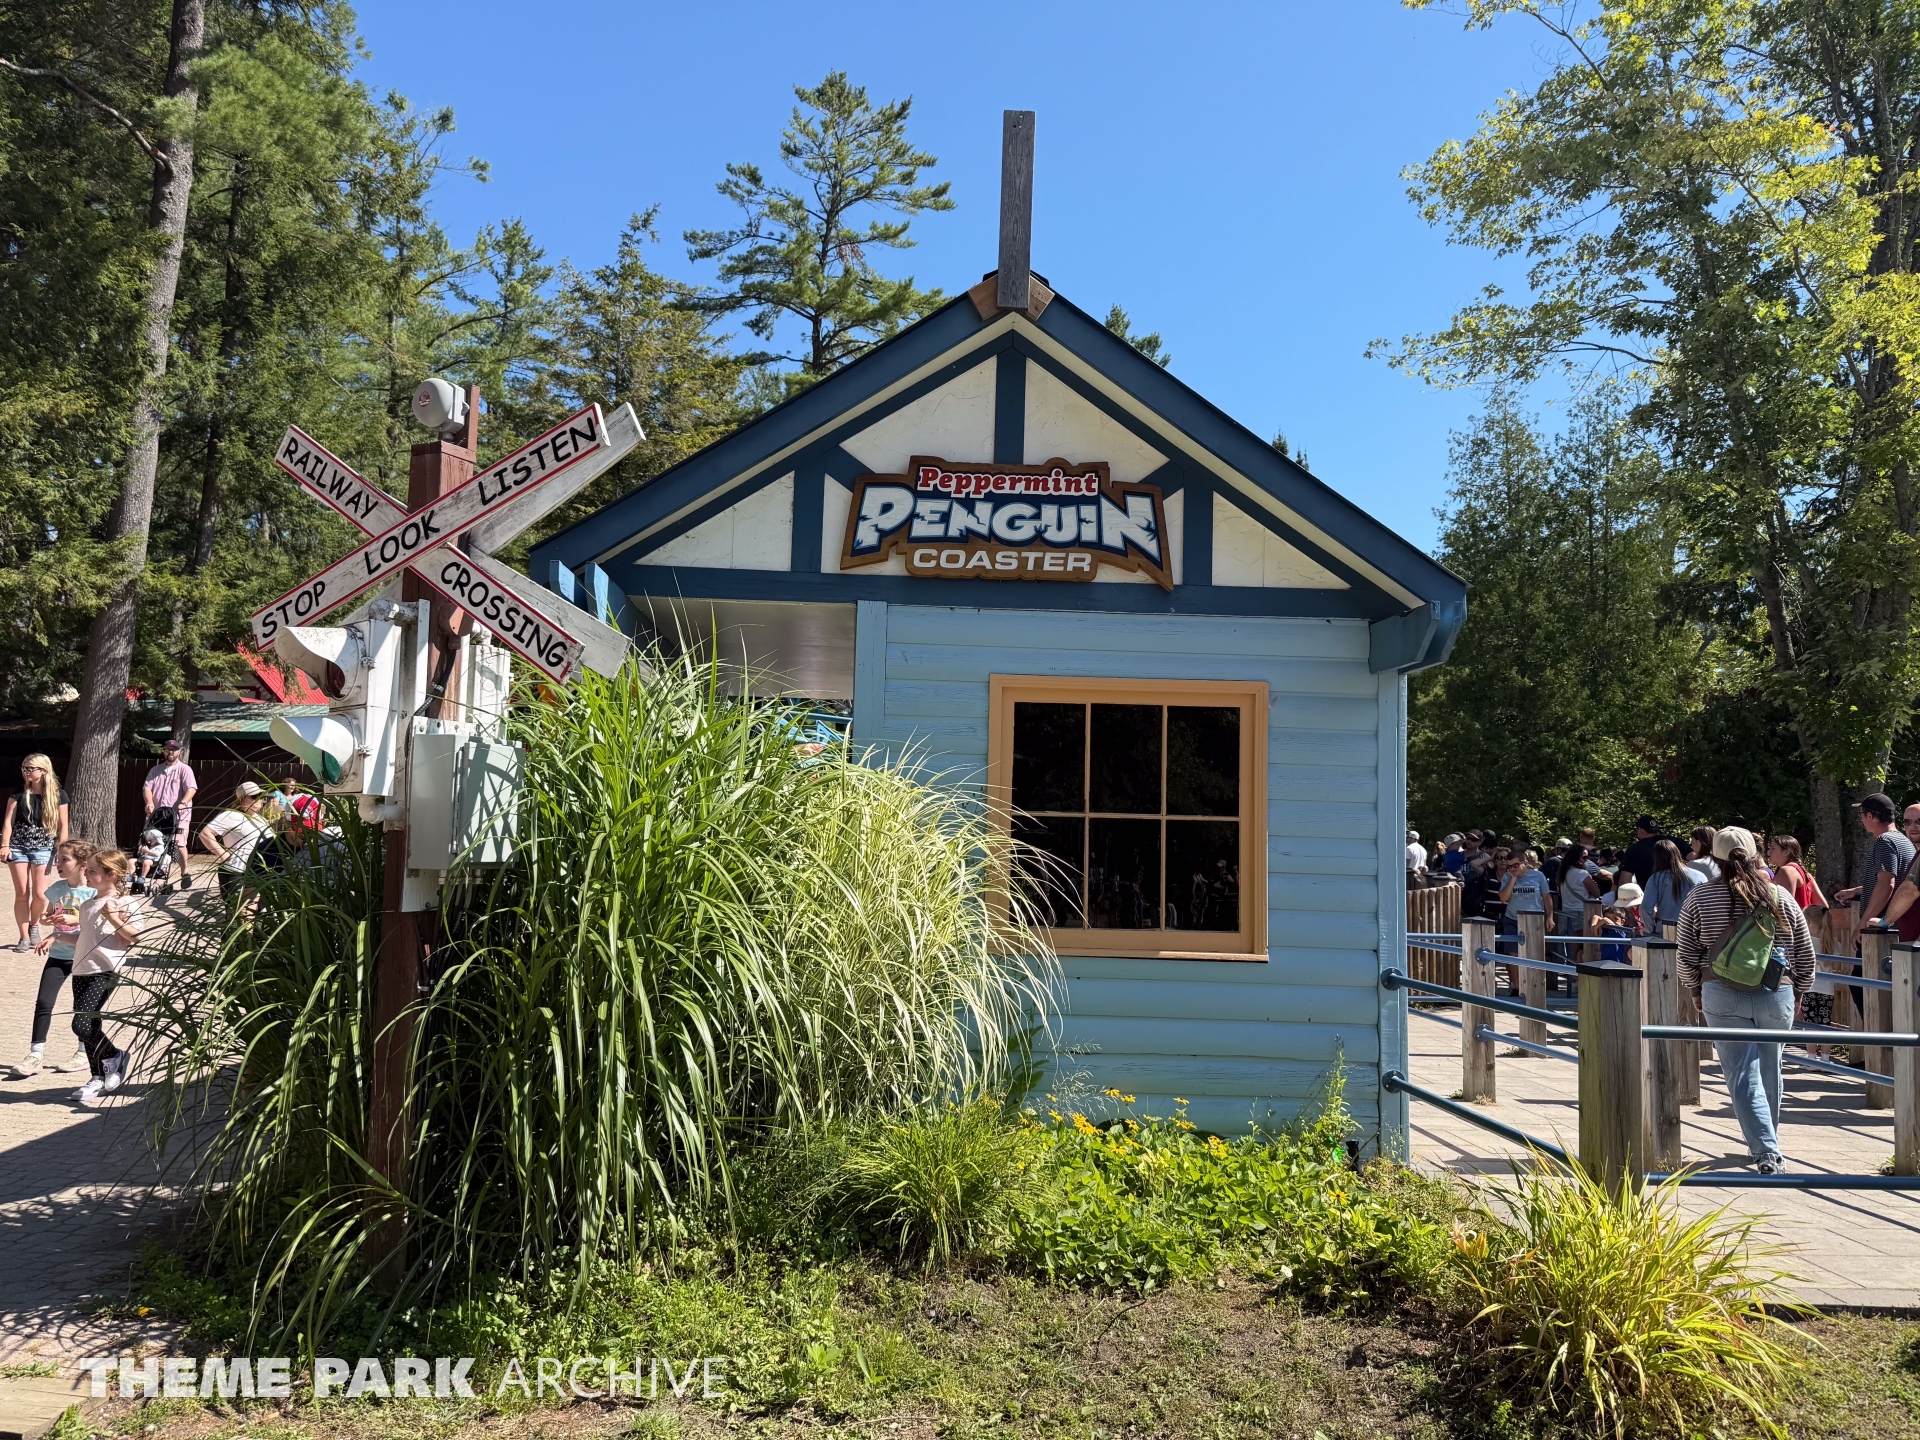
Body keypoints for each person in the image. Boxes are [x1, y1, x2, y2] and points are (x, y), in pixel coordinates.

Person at [1675, 826, 1817, 1174]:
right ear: (1756, 854)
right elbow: (1804, 953)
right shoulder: (1779, 896)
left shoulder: (1700, 897)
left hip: (1721, 991)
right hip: (1776, 992)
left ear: (1714, 857)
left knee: (1742, 1073)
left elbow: (1686, 954)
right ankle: (1768, 1144)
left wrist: (1695, 990)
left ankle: (1766, 1149)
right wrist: (1798, 992)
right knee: (1771, 1068)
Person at [8, 840, 96, 1079]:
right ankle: (35, 1055)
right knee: (44, 1002)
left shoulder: (93, 892)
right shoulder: (57, 889)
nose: (58, 863)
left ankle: (83, 1053)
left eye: (65, 859)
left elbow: (96, 926)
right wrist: (48, 921)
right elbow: (48, 915)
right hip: (58, 955)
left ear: (83, 865)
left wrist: (74, 921)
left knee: (82, 1007)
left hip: (85, 957)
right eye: (57, 859)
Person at [68, 848, 140, 1106]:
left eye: (93, 871)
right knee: (90, 1026)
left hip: (106, 971)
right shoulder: (88, 904)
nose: (86, 874)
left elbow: (135, 936)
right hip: (81, 970)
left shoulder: (124, 903)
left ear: (112, 875)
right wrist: (56, 935)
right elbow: (85, 938)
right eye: (86, 869)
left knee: (81, 1025)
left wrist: (112, 917)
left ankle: (115, 1055)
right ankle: (97, 1076)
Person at [3, 753, 69, 952]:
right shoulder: (18, 792)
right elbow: (8, 821)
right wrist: (5, 845)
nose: (26, 772)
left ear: (44, 771)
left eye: (31, 768)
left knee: (40, 894)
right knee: (22, 894)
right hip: (18, 847)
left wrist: (62, 851)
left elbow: (63, 826)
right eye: (24, 768)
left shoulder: (58, 795)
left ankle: (34, 926)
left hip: (44, 847)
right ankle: (24, 937)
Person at [1832, 792, 1913, 925]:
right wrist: (1857, 891)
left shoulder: (1885, 841)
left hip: (1884, 930)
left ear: (1870, 816)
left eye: (1861, 814)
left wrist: (1863, 924)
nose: (1861, 819)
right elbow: (1897, 883)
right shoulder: (1904, 840)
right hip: (1901, 927)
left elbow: (1886, 885)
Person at [197, 782, 273, 906]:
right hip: (238, 871)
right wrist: (223, 854)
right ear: (241, 799)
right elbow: (205, 833)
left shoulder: (261, 819)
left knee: (256, 912)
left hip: (259, 873)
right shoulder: (231, 815)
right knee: (240, 911)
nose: (259, 799)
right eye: (254, 796)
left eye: (261, 796)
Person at [142, 738, 198, 890]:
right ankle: (156, 874)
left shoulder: (185, 770)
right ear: (164, 751)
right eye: (168, 750)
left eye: (174, 750)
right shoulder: (155, 770)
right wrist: (149, 802)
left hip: (179, 815)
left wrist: (183, 802)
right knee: (154, 843)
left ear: (179, 752)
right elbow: (147, 788)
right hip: (158, 815)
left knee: (179, 844)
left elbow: (191, 788)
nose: (170, 752)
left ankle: (185, 872)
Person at [1640, 838, 1696, 934]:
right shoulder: (1698, 875)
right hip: (1692, 929)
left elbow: (1646, 908)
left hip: (1665, 930)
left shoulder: (1655, 879)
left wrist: (1649, 929)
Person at [1620, 816, 1665, 888]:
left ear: (1641, 830)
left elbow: (1624, 883)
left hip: (1647, 893)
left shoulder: (1633, 850)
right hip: (1677, 892)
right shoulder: (1674, 843)